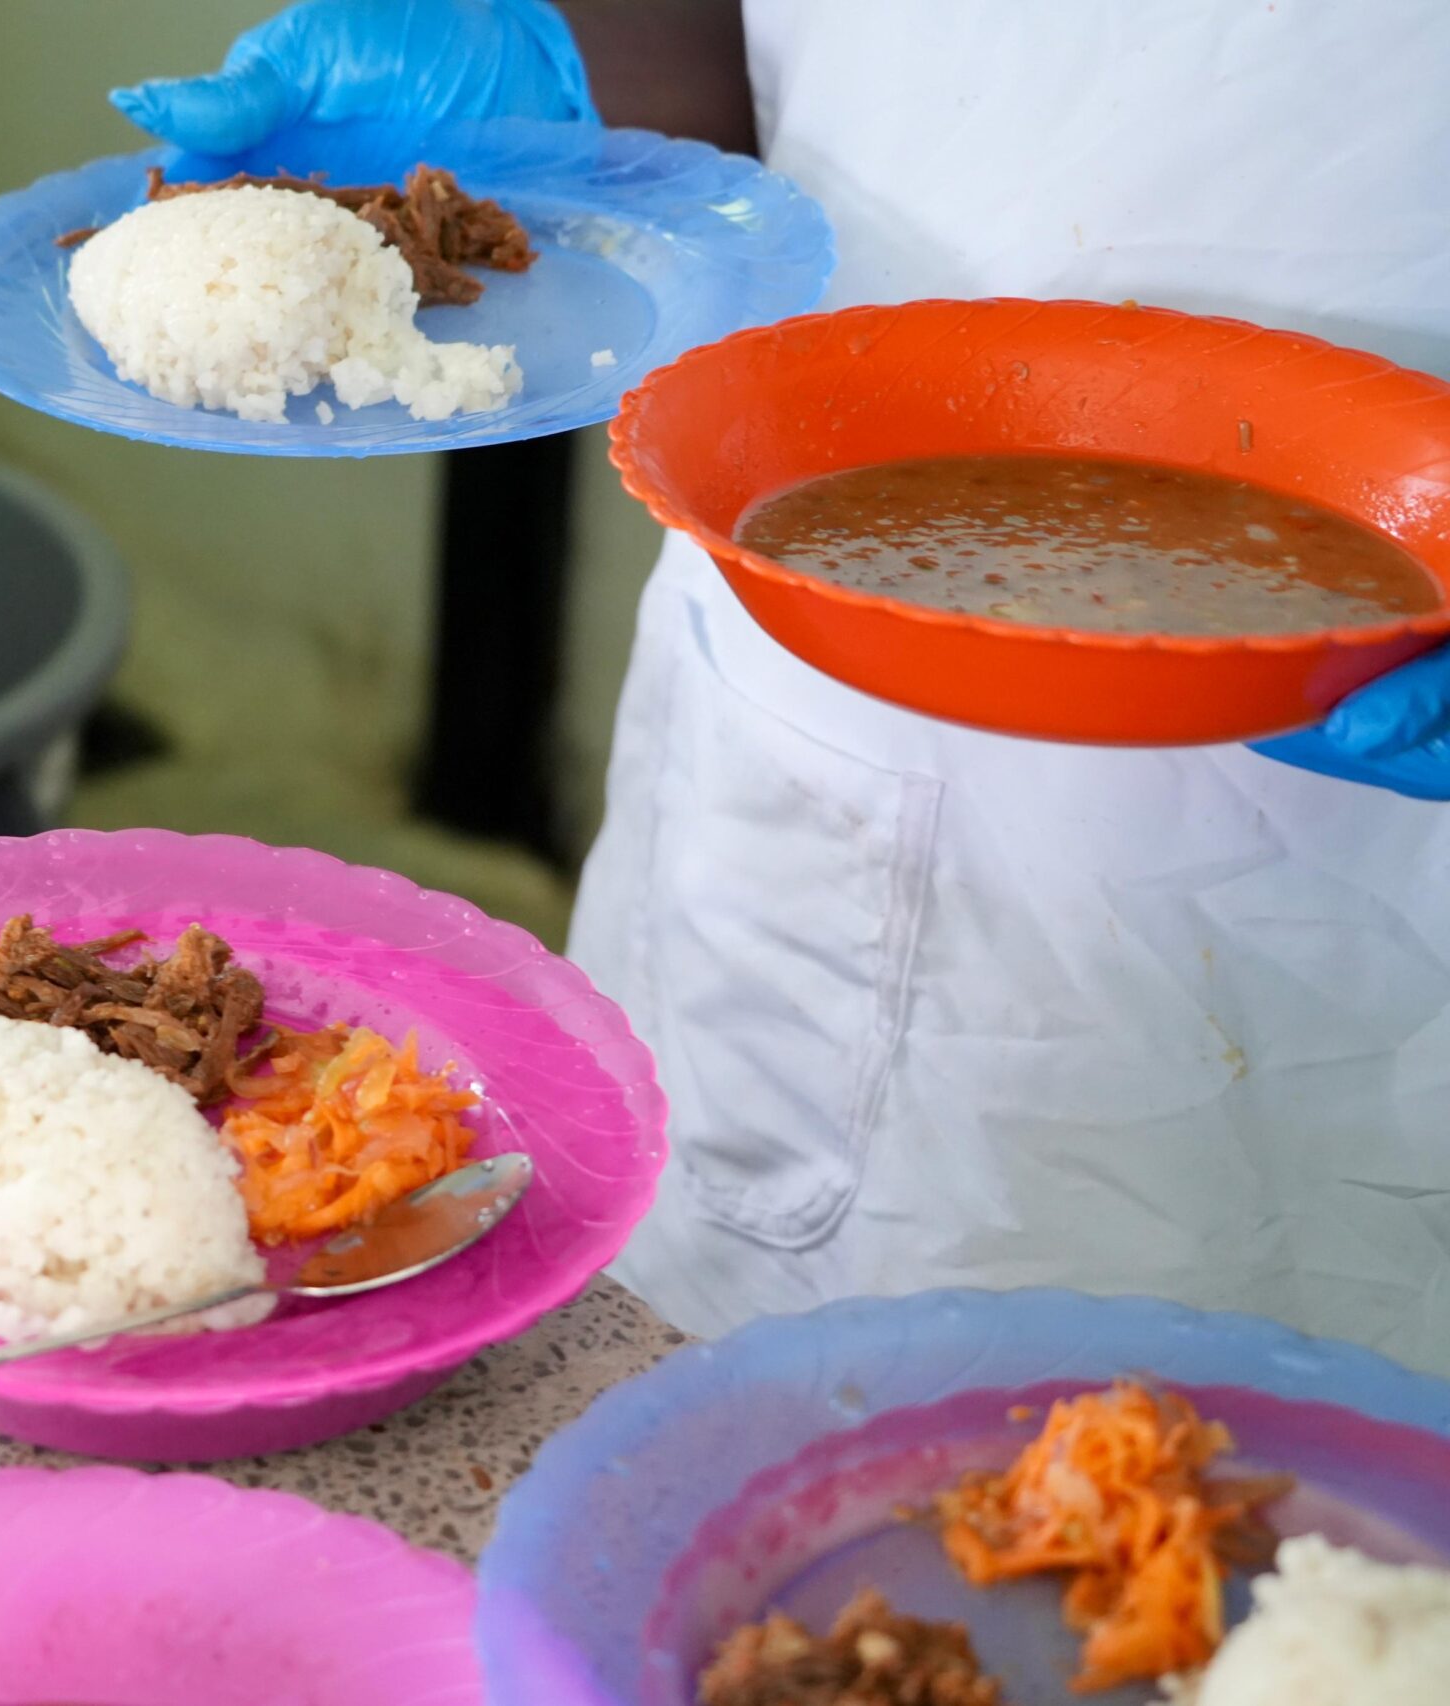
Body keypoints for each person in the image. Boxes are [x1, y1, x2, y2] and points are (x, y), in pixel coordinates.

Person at [115, 0, 1450, 1376]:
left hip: (1372, 906)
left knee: (1329, 1513)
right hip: (819, 697)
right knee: (681, 1459)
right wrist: (578, 73)